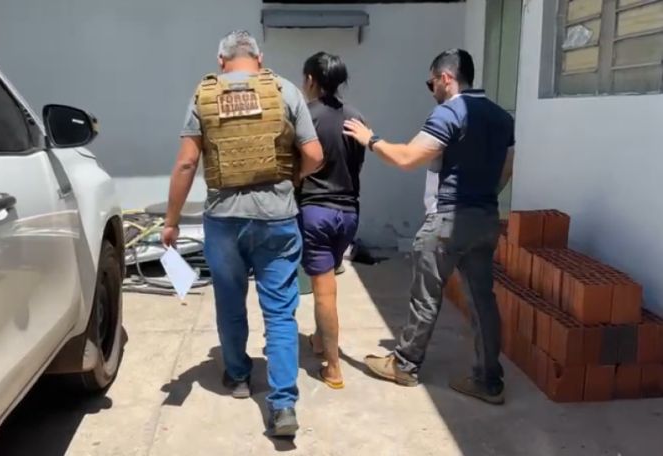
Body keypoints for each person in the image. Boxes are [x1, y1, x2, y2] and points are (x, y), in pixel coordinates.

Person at [162, 30, 323, 435]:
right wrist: (292, 179)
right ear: (259, 57)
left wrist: (171, 221)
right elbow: (315, 155)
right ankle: (283, 405)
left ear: (221, 60)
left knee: (230, 302)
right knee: (281, 312)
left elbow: (186, 164)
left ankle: (237, 377)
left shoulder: (204, 95)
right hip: (277, 217)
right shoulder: (285, 91)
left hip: (224, 219)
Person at [343, 49, 515, 405]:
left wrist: (370, 140)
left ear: (446, 78)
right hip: (486, 219)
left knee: (426, 295)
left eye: (431, 82)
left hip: (448, 221)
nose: (431, 89)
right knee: (483, 300)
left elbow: (407, 158)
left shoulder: (450, 112)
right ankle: (488, 380)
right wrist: (482, 200)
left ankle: (405, 364)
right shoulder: (502, 117)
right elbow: (507, 169)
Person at [297, 52, 365, 390]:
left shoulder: (305, 117)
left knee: (324, 291)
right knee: (325, 281)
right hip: (348, 214)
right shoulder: (356, 118)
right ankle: (319, 340)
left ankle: (334, 367)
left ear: (311, 80)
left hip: (316, 212)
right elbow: (356, 166)